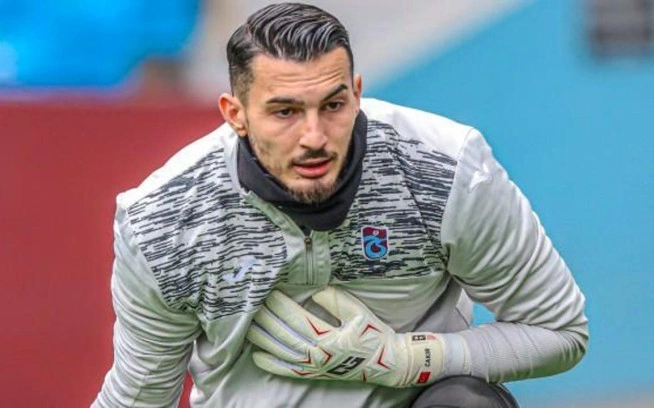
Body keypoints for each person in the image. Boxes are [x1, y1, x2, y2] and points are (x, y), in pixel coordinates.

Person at [93, 3, 588, 407]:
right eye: (285, 111)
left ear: (356, 94)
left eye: (332, 106)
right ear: (235, 114)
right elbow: (139, 398)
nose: (314, 136)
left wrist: (406, 359)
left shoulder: (447, 169)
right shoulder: (164, 221)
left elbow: (560, 331)